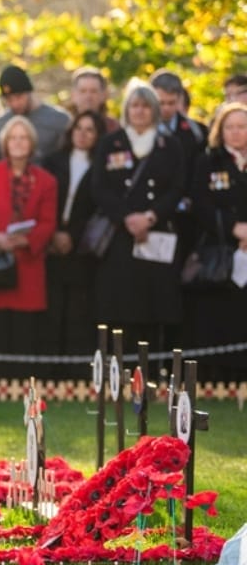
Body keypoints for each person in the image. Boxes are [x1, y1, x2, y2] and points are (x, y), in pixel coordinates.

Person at [90, 80, 186, 348]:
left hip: (156, 235)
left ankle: (152, 371)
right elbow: (99, 187)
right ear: (126, 109)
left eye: (146, 106)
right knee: (121, 305)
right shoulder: (112, 143)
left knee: (153, 306)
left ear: (154, 110)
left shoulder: (170, 145)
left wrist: (151, 217)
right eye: (135, 105)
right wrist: (127, 218)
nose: (140, 111)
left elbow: (178, 187)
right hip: (121, 236)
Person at [0, 116, 57, 377]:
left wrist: (27, 239)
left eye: (24, 138)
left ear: (32, 143)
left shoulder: (46, 181)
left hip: (27, 265)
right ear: (4, 143)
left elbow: (48, 221)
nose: (18, 143)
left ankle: (21, 391)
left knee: (23, 336)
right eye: (13, 138)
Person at [38, 110, 105, 378]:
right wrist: (54, 233)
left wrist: (73, 237)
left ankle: (75, 373)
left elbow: (97, 208)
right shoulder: (53, 161)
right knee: (52, 310)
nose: (83, 134)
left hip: (83, 249)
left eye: (90, 130)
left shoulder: (101, 165)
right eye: (79, 128)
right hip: (52, 244)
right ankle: (50, 371)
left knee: (78, 312)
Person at [185, 103, 247, 380]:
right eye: (229, 127)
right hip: (219, 248)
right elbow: (200, 203)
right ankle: (218, 377)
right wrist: (234, 228)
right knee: (218, 314)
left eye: (242, 127)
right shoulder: (208, 161)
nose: (235, 133)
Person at [0, 65, 70, 163]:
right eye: (9, 99)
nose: (15, 104)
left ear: (29, 92)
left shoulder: (59, 120)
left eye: (19, 97)